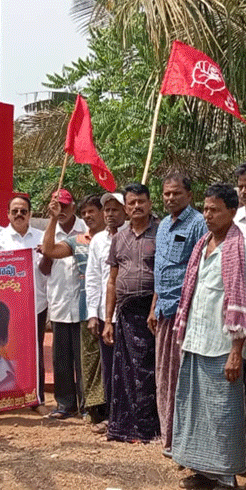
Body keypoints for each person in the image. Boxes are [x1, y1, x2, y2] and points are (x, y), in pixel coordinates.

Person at [171, 184, 246, 490]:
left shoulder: (240, 249)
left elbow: (244, 300)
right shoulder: (202, 245)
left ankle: (225, 476)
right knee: (195, 408)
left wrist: (236, 351)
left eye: (214, 209)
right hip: (196, 338)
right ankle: (201, 470)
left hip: (222, 344)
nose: (207, 215)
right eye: (205, 209)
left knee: (222, 411)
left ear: (232, 212)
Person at [150, 174, 205, 456]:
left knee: (182, 378)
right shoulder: (162, 227)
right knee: (164, 377)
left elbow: (199, 270)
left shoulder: (198, 224)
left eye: (176, 193)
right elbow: (161, 271)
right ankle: (168, 438)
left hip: (185, 312)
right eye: (166, 194)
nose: (170, 198)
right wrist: (154, 307)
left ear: (189, 194)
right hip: (163, 311)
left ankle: (185, 440)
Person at [41, 193, 107, 422]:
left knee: (90, 360)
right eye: (85, 212)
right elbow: (48, 250)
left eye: (92, 211)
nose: (88, 216)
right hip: (76, 307)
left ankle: (92, 405)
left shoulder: (113, 238)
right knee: (66, 359)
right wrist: (51, 219)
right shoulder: (79, 239)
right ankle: (68, 405)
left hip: (106, 307)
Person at [103, 184, 160, 443]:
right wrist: (108, 320)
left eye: (141, 201)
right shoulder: (119, 238)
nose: (137, 206)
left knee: (151, 370)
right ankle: (125, 427)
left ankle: (153, 428)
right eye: (132, 203)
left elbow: (163, 276)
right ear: (126, 208)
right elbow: (112, 281)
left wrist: (154, 309)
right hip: (125, 314)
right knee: (125, 372)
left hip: (153, 313)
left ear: (150, 203)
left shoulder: (162, 232)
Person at [0, 195, 52, 404]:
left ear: (30, 214)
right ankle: (7, 398)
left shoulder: (42, 238)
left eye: (23, 211)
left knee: (35, 353)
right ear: (7, 214)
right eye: (14, 211)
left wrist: (47, 253)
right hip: (7, 307)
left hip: (36, 304)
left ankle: (37, 399)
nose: (19, 215)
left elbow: (46, 270)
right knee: (6, 351)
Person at [42, 189, 87, 420]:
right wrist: (51, 221)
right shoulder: (51, 231)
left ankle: (86, 404)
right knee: (61, 359)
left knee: (83, 357)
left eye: (65, 206)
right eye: (57, 206)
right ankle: (65, 404)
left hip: (83, 304)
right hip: (60, 301)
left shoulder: (86, 230)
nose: (61, 211)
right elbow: (44, 267)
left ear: (73, 207)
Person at [86, 192, 125, 433]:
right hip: (104, 314)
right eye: (107, 210)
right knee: (109, 367)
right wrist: (93, 313)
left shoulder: (133, 236)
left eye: (115, 209)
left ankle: (129, 417)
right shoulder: (98, 240)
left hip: (130, 313)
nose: (110, 214)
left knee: (130, 367)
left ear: (125, 211)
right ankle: (112, 416)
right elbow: (92, 279)